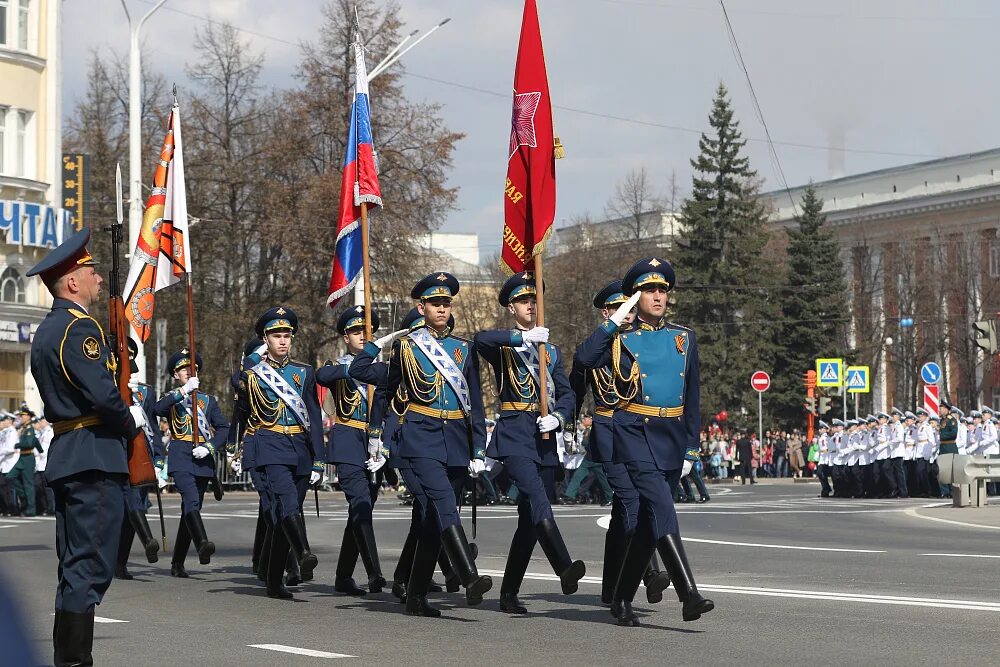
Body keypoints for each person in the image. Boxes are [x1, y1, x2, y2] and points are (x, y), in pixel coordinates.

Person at [27, 228, 149, 665]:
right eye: (91, 271)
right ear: (72, 283)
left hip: (70, 454)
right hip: (94, 455)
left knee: (74, 566)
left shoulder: (47, 331)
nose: (98, 279)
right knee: (90, 566)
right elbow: (101, 394)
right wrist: (128, 417)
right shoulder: (79, 330)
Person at [576, 257, 714, 626]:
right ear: (635, 297)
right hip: (634, 433)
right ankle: (689, 595)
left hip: (670, 437)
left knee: (650, 526)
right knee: (662, 508)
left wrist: (691, 445)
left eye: (661, 290)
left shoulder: (683, 338)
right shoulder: (621, 338)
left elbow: (692, 396)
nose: (657, 296)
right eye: (648, 290)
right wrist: (615, 319)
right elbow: (585, 357)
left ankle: (621, 599)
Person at [351, 273, 492, 617]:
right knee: (444, 502)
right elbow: (366, 373)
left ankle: (415, 595)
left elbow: (474, 400)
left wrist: (478, 448)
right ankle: (468, 575)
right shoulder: (406, 347)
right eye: (435, 303)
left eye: (446, 303)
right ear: (421, 307)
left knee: (431, 520)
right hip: (421, 437)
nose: (442, 309)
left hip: (456, 439)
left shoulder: (463, 348)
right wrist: (379, 344)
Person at [475, 271, 586, 614]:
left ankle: (508, 593)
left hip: (543, 436)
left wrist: (560, 417)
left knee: (528, 522)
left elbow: (566, 393)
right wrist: (518, 339)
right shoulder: (506, 347)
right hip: (514, 435)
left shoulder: (551, 350)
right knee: (538, 500)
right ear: (512, 307)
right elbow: (479, 340)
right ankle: (564, 567)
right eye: (524, 301)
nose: (531, 306)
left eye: (535, 300)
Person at [241, 307, 323, 599]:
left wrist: (319, 459)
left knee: (282, 516)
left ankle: (274, 580)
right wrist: (259, 351)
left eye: (287, 334)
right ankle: (303, 553)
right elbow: (237, 379)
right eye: (276, 335)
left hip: (299, 448)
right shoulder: (253, 373)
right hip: (270, 446)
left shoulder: (303, 372)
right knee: (288, 504)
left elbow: (314, 416)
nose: (283, 340)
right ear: (266, 339)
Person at [316, 305, 388, 596]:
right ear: (346, 337)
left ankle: (344, 576)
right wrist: (356, 365)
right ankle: (375, 574)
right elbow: (322, 377)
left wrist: (384, 447)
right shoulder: (338, 367)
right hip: (348, 441)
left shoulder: (382, 371)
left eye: (367, 331)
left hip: (375, 447)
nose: (362, 335)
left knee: (360, 511)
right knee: (360, 504)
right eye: (357, 331)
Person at [154, 348, 230, 577]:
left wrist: (210, 447)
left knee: (191, 508)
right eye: (182, 369)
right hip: (181, 455)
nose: (188, 371)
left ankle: (177, 562)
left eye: (192, 368)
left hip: (202, 457)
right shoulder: (172, 398)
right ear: (175, 375)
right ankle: (202, 543)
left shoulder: (208, 400)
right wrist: (183, 392)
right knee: (191, 500)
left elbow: (224, 428)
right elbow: (157, 409)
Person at [115, 339, 162, 579]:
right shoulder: (110, 389)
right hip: (118, 454)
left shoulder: (146, 392)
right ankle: (148, 540)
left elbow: (153, 426)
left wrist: (161, 461)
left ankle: (120, 563)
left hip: (141, 455)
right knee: (131, 505)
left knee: (133, 511)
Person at [34, 417, 54, 514]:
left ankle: (51, 508)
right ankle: (45, 507)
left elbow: (45, 449)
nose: (40, 423)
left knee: (47, 489)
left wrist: (39, 453)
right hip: (40, 464)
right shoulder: (42, 433)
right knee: (39, 487)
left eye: (41, 421)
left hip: (45, 463)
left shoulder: (49, 432)